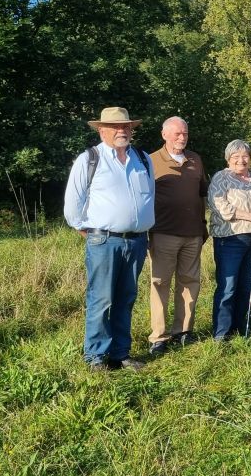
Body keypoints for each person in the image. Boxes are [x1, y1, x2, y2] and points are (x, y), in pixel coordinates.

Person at [64, 106, 155, 371]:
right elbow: (72, 205)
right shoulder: (89, 159)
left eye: (126, 127)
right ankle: (95, 357)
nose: (122, 131)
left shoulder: (143, 158)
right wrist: (91, 232)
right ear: (102, 130)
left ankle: (120, 354)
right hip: (104, 241)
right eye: (115, 127)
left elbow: (150, 197)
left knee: (126, 298)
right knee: (101, 300)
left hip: (137, 241)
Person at [147, 116, 208, 356]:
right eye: (177, 134)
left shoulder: (195, 160)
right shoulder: (151, 161)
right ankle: (159, 337)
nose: (181, 138)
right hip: (163, 232)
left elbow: (202, 194)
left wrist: (203, 225)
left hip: (193, 233)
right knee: (160, 283)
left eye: (185, 134)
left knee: (190, 282)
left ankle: (183, 331)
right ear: (164, 135)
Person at [207, 139, 251, 341]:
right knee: (228, 286)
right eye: (235, 156)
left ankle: (240, 327)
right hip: (230, 239)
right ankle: (222, 333)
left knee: (247, 284)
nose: (241, 160)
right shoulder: (222, 178)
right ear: (228, 159)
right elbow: (223, 209)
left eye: (245, 156)